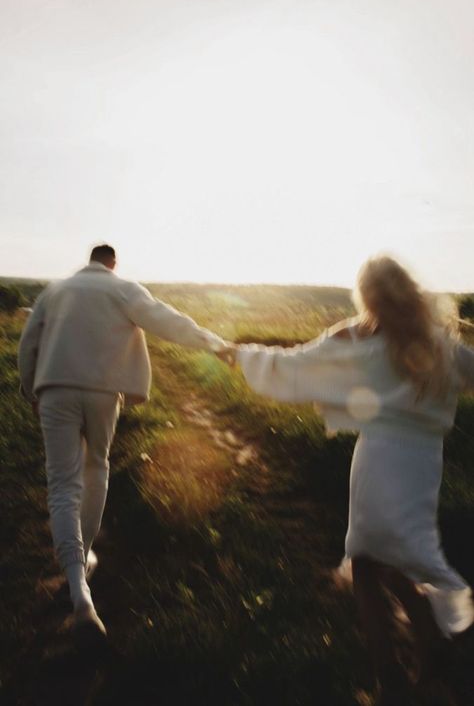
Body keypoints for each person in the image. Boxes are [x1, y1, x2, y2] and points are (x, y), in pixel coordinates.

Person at [218, 255, 474, 704]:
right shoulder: (442, 345)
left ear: (367, 295)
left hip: (377, 458)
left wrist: (241, 355)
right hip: (422, 464)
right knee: (391, 557)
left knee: (366, 564)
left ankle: (390, 678)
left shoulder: (355, 335)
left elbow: (294, 365)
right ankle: (430, 643)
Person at [18, 245, 227, 646]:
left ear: (89, 259)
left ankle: (77, 585)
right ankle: (85, 557)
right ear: (112, 263)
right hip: (104, 394)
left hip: (56, 390)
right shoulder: (124, 289)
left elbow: (29, 343)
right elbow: (169, 321)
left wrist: (31, 390)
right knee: (96, 469)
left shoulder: (55, 290)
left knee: (62, 484)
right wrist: (215, 344)